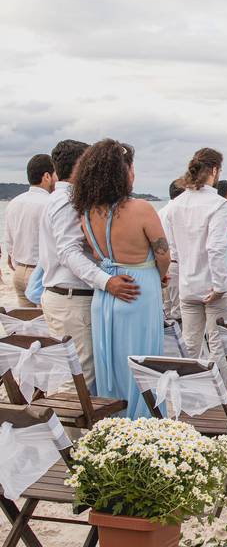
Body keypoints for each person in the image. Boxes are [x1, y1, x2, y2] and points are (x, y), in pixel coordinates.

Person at [73, 140, 169, 419]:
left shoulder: (87, 212)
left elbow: (93, 251)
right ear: (123, 172)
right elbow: (163, 253)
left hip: (105, 292)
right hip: (138, 288)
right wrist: (158, 276)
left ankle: (115, 420)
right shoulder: (141, 208)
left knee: (111, 361)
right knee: (142, 361)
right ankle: (143, 421)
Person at [38, 140, 139, 391]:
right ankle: (74, 432)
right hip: (72, 299)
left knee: (78, 376)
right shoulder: (67, 199)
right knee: (80, 378)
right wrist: (108, 281)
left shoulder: (58, 197)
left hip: (66, 298)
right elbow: (68, 252)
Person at [164, 148, 227, 366]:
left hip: (187, 284)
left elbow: (173, 249)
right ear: (214, 170)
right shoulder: (219, 204)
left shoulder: (175, 204)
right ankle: (218, 398)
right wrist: (220, 285)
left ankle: (189, 396)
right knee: (218, 346)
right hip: (213, 285)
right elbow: (215, 248)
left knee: (190, 346)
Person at [4, 154, 56, 306]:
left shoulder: (14, 202)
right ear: (46, 176)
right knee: (45, 325)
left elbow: (9, 242)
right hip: (40, 274)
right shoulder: (49, 203)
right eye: (55, 175)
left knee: (27, 325)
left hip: (19, 272)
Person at [157, 180, 184, 320]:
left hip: (162, 264)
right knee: (178, 311)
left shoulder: (160, 212)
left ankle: (166, 340)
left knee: (166, 309)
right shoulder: (178, 211)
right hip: (176, 263)